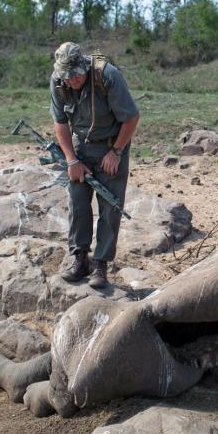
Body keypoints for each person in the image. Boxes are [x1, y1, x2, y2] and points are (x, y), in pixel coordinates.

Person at [50, 42, 140, 289]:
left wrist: (116, 152)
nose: (72, 81)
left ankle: (101, 264)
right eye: (67, 77)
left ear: (84, 67)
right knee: (78, 202)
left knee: (110, 205)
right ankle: (80, 258)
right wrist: (71, 159)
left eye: (76, 75)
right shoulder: (58, 82)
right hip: (81, 147)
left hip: (112, 145)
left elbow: (131, 117)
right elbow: (60, 123)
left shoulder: (107, 75)